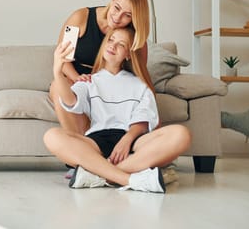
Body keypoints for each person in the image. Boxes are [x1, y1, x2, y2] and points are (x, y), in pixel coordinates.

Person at [43, 27, 191, 193]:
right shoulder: (89, 81)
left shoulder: (139, 85)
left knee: (181, 134)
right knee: (52, 136)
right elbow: (71, 101)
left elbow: (142, 122)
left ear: (128, 54)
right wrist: (58, 70)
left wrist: (127, 140)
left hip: (132, 140)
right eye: (111, 40)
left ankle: (99, 173)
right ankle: (128, 179)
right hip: (96, 141)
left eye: (121, 44)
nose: (113, 46)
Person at [49, 0, 151, 136]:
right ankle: (83, 150)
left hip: (107, 87)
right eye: (116, 8)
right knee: (58, 87)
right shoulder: (80, 17)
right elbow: (62, 59)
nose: (117, 18)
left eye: (127, 15)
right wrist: (77, 78)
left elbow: (139, 73)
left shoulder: (134, 36)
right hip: (75, 79)